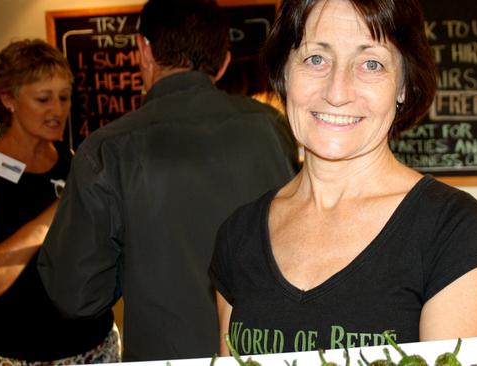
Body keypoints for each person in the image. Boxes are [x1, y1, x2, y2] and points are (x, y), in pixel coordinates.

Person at [209, 0, 477, 355]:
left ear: (403, 86)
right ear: (284, 73)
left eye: (371, 64)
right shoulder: (237, 234)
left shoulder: (452, 229)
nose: (337, 92)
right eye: (316, 59)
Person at [37, 0, 299, 362]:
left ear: (143, 50)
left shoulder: (107, 149)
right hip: (266, 352)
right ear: (224, 62)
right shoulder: (272, 127)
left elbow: (76, 293)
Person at [0, 39, 120, 364]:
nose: (58, 110)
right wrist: (49, 221)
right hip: (17, 356)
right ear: (9, 99)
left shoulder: (73, 161)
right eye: (43, 99)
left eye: (64, 97)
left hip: (94, 350)